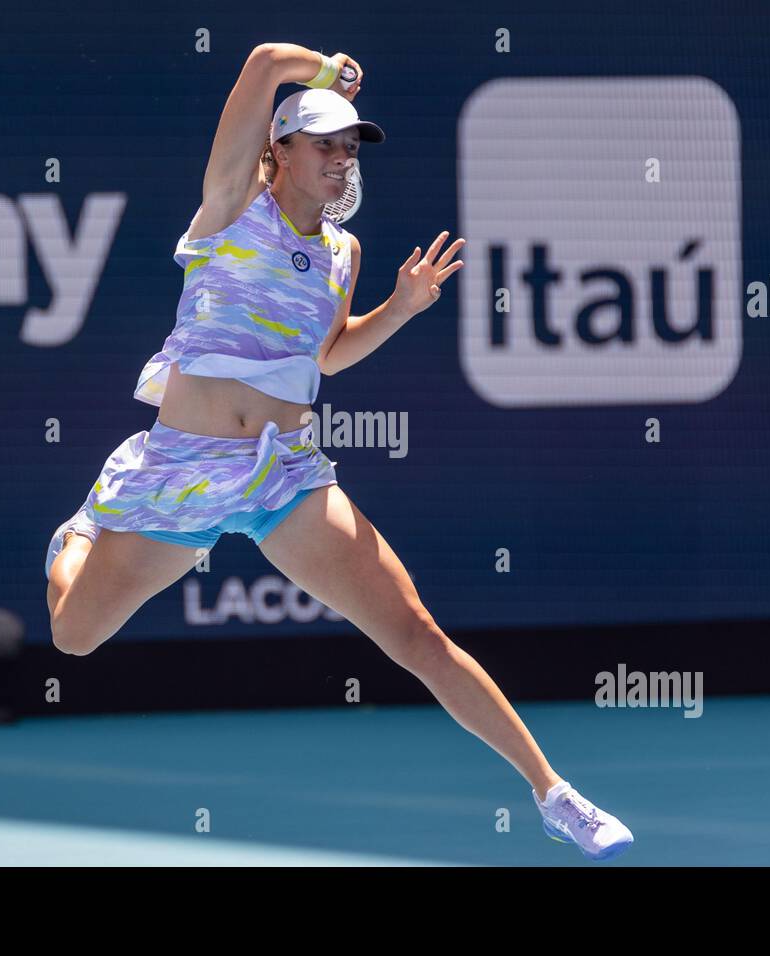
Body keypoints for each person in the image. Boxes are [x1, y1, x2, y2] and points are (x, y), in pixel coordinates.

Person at [43, 42, 633, 859]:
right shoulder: (227, 208)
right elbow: (257, 66)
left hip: (283, 473)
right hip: (180, 472)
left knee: (415, 632)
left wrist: (399, 308)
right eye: (325, 143)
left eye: (350, 146)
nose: (341, 158)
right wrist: (324, 70)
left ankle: (554, 793)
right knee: (74, 636)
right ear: (276, 151)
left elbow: (324, 355)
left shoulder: (342, 253)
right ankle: (77, 533)